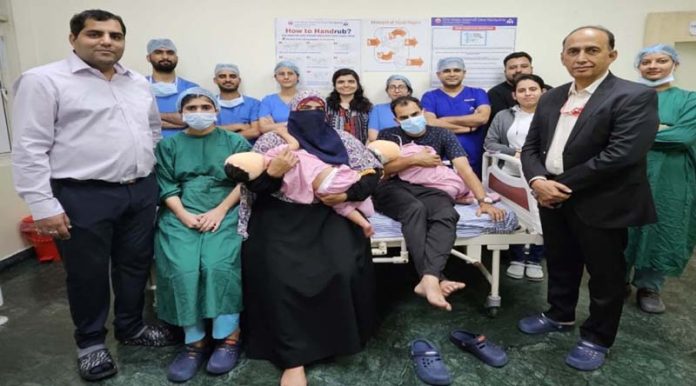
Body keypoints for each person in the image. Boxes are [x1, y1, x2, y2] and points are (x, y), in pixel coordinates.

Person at [11, 9, 174, 381]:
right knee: (88, 273)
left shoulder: (136, 82)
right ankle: (90, 344)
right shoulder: (44, 81)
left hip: (140, 190)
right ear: (74, 39)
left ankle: (131, 328)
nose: (106, 41)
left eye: (115, 36)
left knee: (134, 264)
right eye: (95, 34)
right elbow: (30, 148)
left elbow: (152, 130)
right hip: (82, 194)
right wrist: (42, 204)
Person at [519, 26, 659, 371]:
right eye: (573, 51)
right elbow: (531, 146)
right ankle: (559, 315)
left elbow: (622, 154)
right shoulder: (552, 97)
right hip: (551, 198)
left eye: (592, 50)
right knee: (561, 263)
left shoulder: (632, 96)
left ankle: (597, 337)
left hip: (602, 200)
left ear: (611, 55)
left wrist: (558, 185)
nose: (581, 58)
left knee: (605, 274)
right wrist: (538, 179)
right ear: (563, 57)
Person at [240, 90, 381, 386]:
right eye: (306, 108)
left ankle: (336, 341)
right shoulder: (273, 140)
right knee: (277, 274)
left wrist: (345, 194)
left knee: (342, 267)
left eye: (319, 107)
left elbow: (372, 174)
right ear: (293, 111)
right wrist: (275, 173)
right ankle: (293, 358)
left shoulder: (343, 139)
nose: (313, 112)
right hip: (280, 212)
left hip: (331, 211)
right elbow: (253, 183)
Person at [154, 87, 250, 382]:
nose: (198, 112)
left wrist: (220, 211)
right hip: (180, 210)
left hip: (226, 207)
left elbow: (246, 180)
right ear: (181, 114)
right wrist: (183, 215)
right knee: (182, 268)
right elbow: (166, 185)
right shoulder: (168, 147)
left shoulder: (235, 141)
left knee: (218, 265)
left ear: (216, 110)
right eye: (191, 108)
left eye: (204, 106)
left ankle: (228, 338)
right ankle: (194, 342)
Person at [374, 96, 505, 311]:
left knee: (447, 214)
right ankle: (436, 277)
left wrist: (484, 200)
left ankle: (429, 280)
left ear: (423, 111)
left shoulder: (442, 133)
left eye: (415, 114)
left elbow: (463, 168)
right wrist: (414, 160)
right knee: (414, 210)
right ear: (397, 120)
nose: (411, 120)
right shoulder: (388, 135)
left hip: (432, 188)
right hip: (393, 187)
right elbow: (378, 171)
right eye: (404, 117)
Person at [625, 44, 696, 314]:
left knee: (662, 225)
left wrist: (634, 137)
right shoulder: (627, 97)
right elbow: (609, 132)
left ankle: (649, 286)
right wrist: (660, 130)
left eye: (661, 60)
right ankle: (617, 281)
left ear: (674, 64)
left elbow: (683, 137)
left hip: (670, 177)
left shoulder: (689, 100)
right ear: (638, 66)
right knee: (623, 225)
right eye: (647, 61)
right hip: (628, 172)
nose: (653, 66)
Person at [226, 122, 376, 237]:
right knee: (359, 178)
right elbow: (294, 144)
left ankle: (363, 222)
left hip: (322, 191)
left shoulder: (341, 136)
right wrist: (283, 132)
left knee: (342, 207)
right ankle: (365, 210)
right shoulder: (273, 150)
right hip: (334, 177)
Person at [484, 74, 547, 281]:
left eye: (532, 89)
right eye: (522, 90)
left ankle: (536, 259)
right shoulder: (504, 115)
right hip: (510, 172)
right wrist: (514, 153)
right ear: (514, 95)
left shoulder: (552, 114)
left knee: (544, 216)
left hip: (544, 172)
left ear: (542, 91)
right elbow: (490, 143)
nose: (527, 93)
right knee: (517, 215)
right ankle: (517, 258)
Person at [421, 57, 491, 176]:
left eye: (456, 70)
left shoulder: (478, 93)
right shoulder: (430, 96)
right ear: (439, 74)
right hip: (442, 152)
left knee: (474, 188)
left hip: (474, 151)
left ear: (464, 73)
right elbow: (431, 123)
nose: (452, 74)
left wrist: (444, 120)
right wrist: (468, 128)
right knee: (444, 187)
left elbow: (482, 118)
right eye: (447, 71)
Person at [145, 38, 199, 137]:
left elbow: (194, 119)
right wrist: (179, 120)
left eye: (170, 53)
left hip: (183, 147)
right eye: (158, 52)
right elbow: (134, 119)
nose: (165, 56)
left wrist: (152, 119)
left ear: (176, 58)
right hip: (147, 145)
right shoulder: (138, 86)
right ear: (148, 58)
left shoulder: (192, 89)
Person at [487, 52, 552, 121]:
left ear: (531, 69)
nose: (518, 70)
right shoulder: (495, 93)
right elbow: (502, 122)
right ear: (505, 72)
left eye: (524, 66)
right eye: (512, 68)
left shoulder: (550, 91)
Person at [213, 63, 261, 141]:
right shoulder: (208, 104)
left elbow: (255, 132)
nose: (228, 80)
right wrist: (237, 126)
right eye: (222, 76)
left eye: (232, 76)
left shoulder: (253, 104)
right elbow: (207, 131)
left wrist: (220, 132)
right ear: (215, 80)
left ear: (239, 80)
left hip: (247, 150)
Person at [326, 68, 373, 144]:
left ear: (357, 85)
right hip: (332, 152)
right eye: (341, 82)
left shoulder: (368, 107)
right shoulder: (325, 106)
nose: (346, 85)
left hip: (361, 151)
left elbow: (371, 134)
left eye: (351, 82)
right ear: (334, 85)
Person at [258, 60, 300, 133]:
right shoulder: (268, 101)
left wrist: (275, 125)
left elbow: (310, 125)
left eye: (290, 73)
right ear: (276, 77)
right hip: (276, 142)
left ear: (297, 77)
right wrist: (293, 124)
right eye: (281, 74)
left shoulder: (307, 99)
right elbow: (263, 128)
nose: (286, 77)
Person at [368, 75, 413, 141]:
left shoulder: (416, 108)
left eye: (401, 87)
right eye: (392, 87)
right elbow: (373, 137)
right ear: (387, 91)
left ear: (408, 91)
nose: (397, 90)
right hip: (385, 148)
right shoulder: (378, 109)